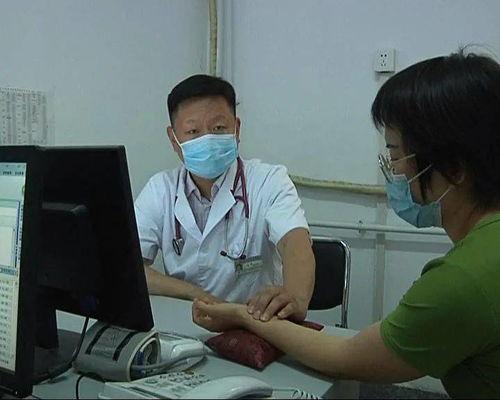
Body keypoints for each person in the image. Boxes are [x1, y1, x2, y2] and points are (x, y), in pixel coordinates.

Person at [192, 50, 500, 398]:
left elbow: (345, 357)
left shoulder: (463, 281)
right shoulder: (161, 187)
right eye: (192, 132)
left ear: (454, 168)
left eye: (395, 155)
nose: (392, 171)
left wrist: (245, 315)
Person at [135, 74, 315, 322]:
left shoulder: (269, 180)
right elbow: (129, 267)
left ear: (237, 129)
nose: (207, 139)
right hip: (183, 325)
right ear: (173, 139)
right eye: (193, 131)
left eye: (218, 128)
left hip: (255, 324)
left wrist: (296, 297)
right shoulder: (160, 189)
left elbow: (295, 242)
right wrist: (195, 294)